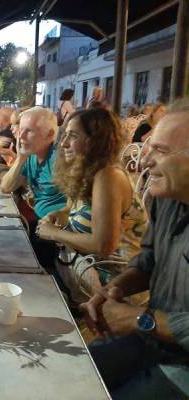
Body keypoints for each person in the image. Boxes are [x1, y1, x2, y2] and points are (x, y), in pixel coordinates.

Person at [80, 100, 189, 399]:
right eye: (149, 147)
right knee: (72, 373)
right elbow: (150, 260)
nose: (143, 161)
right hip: (152, 341)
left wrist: (139, 319)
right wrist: (114, 288)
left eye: (161, 151)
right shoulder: (166, 197)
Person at [36, 108, 148, 302]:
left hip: (116, 289)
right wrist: (57, 215)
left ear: (96, 141)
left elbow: (103, 245)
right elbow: (69, 210)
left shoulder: (108, 176)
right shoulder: (85, 173)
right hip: (85, 270)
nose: (63, 144)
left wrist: (52, 233)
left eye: (73, 136)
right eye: (65, 135)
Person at [0, 107, 67, 271]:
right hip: (37, 225)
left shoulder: (59, 159)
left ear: (49, 135)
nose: (21, 136)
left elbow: (75, 204)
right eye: (20, 130)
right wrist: (20, 158)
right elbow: (6, 187)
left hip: (55, 233)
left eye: (29, 131)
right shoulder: (32, 154)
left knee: (5, 252)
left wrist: (54, 226)